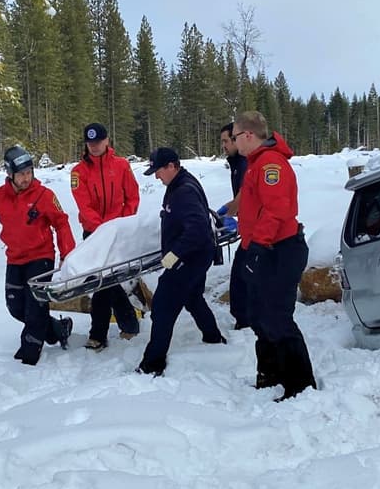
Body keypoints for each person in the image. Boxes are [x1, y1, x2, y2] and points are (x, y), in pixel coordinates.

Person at [231, 111, 317, 400]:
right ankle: (270, 373)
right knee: (257, 313)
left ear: (247, 135)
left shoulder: (270, 164)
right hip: (264, 248)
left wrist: (258, 245)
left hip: (281, 249)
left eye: (234, 136)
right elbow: (253, 203)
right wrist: (231, 212)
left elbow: (278, 209)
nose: (232, 142)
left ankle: (301, 384)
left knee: (277, 316)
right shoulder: (255, 164)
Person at [0, 146, 75, 365]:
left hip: (41, 257)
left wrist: (66, 254)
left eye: (29, 172)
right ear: (10, 174)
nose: (26, 178)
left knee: (35, 307)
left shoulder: (44, 195)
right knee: (16, 307)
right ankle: (57, 329)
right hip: (15, 258)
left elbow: (61, 223)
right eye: (22, 174)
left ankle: (29, 355)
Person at [136, 148, 226, 376]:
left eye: (158, 171)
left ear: (172, 166)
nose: (156, 176)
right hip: (197, 256)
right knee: (193, 298)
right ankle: (213, 337)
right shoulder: (180, 184)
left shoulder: (183, 191)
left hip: (189, 258)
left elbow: (196, 230)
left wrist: (175, 254)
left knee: (163, 306)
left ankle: (152, 364)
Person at [70, 122, 141, 350]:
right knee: (100, 280)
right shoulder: (78, 172)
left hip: (119, 231)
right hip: (94, 233)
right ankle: (122, 324)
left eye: (99, 142)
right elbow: (84, 205)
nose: (95, 146)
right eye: (91, 143)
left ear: (107, 140)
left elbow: (132, 196)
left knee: (106, 280)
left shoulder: (121, 166)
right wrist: (101, 229)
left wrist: (123, 222)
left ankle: (103, 332)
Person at [218, 122, 249, 330]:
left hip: (260, 232)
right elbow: (239, 198)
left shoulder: (245, 162)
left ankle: (246, 320)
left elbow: (245, 195)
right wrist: (223, 211)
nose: (224, 145)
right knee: (241, 276)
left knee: (241, 276)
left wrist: (228, 213)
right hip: (249, 228)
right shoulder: (236, 163)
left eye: (226, 141)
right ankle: (244, 318)